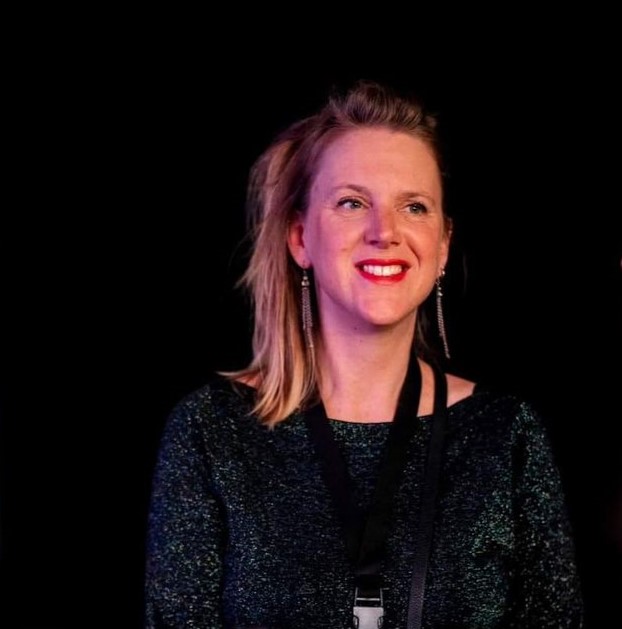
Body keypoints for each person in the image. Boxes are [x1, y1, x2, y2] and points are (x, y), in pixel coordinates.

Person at [144, 79, 584, 628]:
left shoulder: (507, 435)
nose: (386, 232)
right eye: (353, 203)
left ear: (443, 245)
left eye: (414, 207)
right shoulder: (210, 431)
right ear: (301, 238)